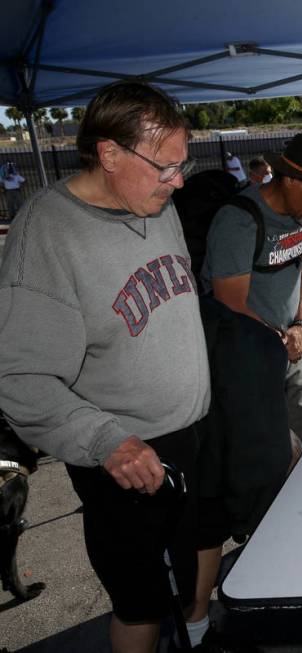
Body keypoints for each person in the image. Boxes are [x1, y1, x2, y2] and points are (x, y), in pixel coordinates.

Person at [0, 80, 208, 653]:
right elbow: (21, 381)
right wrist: (108, 443)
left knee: (185, 588)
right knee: (140, 608)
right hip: (124, 459)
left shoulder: (154, 204)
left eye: (181, 165)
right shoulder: (47, 233)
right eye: (165, 167)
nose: (179, 180)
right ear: (109, 153)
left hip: (188, 441)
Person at [193, 133, 302, 639]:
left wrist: (301, 327)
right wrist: (280, 338)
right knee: (267, 461)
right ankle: (267, 570)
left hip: (287, 350)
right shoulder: (240, 220)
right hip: (245, 362)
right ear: (288, 179)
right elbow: (231, 306)